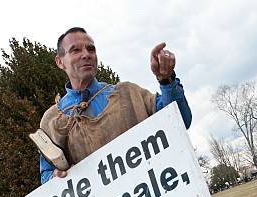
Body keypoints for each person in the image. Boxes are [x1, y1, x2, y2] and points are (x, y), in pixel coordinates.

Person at [34, 27, 192, 184]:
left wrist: (167, 80)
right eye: (75, 50)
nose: (86, 55)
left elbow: (180, 121)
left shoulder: (128, 94)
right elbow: (47, 174)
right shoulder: (52, 120)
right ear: (60, 62)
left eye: (91, 49)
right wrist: (55, 178)